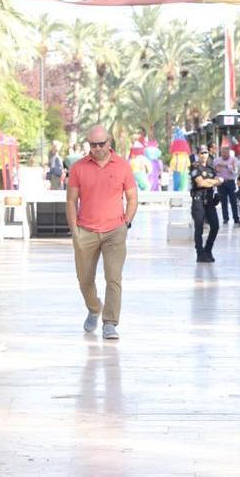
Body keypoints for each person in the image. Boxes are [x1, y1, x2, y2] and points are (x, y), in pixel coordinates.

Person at [66, 126, 137, 341]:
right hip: (85, 231)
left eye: (101, 144)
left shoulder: (123, 166)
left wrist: (126, 222)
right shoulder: (78, 168)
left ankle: (110, 323)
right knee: (84, 279)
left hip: (115, 231)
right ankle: (95, 307)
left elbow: (132, 198)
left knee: (113, 278)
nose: (97, 148)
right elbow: (71, 201)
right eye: (93, 145)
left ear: (109, 142)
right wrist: (74, 231)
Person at [189, 148, 223, 263]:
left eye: (206, 153)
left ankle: (207, 250)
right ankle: (200, 254)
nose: (204, 155)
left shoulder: (211, 168)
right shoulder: (195, 167)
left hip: (209, 201)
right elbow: (200, 182)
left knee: (215, 226)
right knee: (199, 228)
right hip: (198, 201)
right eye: (201, 153)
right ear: (198, 154)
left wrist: (212, 182)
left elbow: (217, 181)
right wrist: (213, 182)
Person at [211, 146, 240, 225]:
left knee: (233, 201)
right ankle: (225, 218)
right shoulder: (216, 160)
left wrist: (226, 166)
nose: (224, 155)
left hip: (230, 182)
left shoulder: (234, 160)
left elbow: (235, 172)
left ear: (229, 153)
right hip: (221, 183)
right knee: (223, 202)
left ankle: (236, 218)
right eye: (223, 153)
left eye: (226, 153)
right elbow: (213, 171)